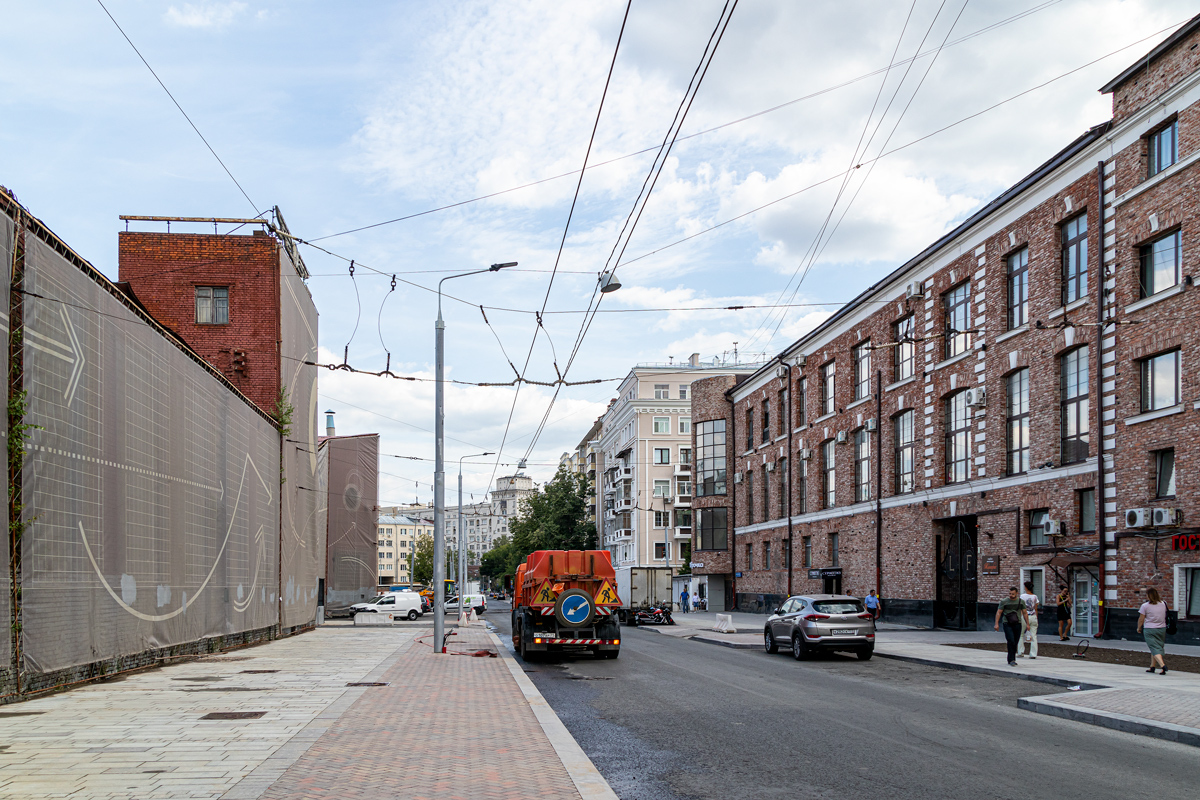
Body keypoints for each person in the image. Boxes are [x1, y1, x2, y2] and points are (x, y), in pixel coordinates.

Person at [994, 586, 1030, 667]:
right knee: (1011, 640)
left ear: (1017, 593)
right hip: (1007, 623)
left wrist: (1027, 624)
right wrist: (996, 623)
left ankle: (1010, 658)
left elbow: (1025, 613)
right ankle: (1012, 659)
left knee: (1015, 641)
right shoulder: (1004, 601)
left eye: (1013, 594)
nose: (1011, 595)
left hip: (1018, 623)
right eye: (1010, 593)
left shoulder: (1021, 602)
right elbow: (999, 612)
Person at [1138, 587, 1169, 675]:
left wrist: (1139, 627)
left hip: (1150, 629)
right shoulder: (1164, 604)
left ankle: (1163, 666)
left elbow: (1141, 619)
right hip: (1162, 628)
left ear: (1149, 596)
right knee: (1158, 647)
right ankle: (1152, 667)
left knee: (1154, 648)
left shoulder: (1145, 606)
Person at [1018, 582, 1040, 659]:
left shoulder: (1022, 596)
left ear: (1026, 588)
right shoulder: (1035, 597)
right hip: (1033, 616)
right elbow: (1036, 608)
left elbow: (1021, 608)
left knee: (1020, 634)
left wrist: (1019, 617)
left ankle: (1020, 652)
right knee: (1034, 635)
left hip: (1025, 616)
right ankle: (1033, 654)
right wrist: (1036, 618)